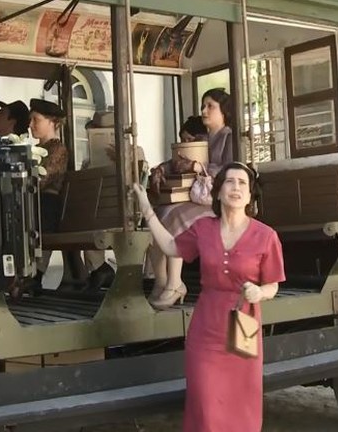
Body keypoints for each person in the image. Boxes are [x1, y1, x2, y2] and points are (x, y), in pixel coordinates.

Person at [132, 162, 284, 432]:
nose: (235, 187)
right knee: (205, 402)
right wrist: (146, 207)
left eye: (242, 183)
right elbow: (170, 246)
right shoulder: (203, 228)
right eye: (229, 181)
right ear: (218, 191)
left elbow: (273, 285)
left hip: (244, 328)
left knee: (242, 402)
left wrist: (259, 292)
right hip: (206, 328)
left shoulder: (266, 236)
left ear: (250, 195)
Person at [147, 88, 233, 309]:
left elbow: (230, 170)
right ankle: (162, 280)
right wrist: (161, 168)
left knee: (175, 217)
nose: (204, 110)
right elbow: (179, 159)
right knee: (157, 218)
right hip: (197, 199)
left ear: (223, 111)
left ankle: (176, 282)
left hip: (218, 203)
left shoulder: (229, 137)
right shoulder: (202, 138)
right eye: (203, 106)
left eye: (210, 106)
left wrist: (198, 166)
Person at [22, 99, 72, 291]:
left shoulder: (57, 149)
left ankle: (34, 274)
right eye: (30, 120)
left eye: (36, 120)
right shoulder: (33, 150)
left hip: (46, 203)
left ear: (53, 122)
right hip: (35, 201)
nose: (31, 125)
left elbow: (42, 179)